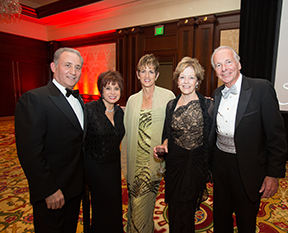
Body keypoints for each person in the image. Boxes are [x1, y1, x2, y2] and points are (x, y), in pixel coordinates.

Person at [209, 46, 288, 233]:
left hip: (248, 167)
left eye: (228, 62)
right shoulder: (217, 93)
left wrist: (273, 174)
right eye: (218, 65)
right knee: (221, 216)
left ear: (239, 64)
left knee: (246, 221)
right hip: (220, 165)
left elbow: (276, 135)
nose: (224, 68)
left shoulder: (261, 88)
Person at [15, 47, 85, 233]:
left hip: (74, 188)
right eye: (68, 65)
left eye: (77, 67)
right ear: (54, 67)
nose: (73, 72)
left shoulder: (80, 100)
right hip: (53, 192)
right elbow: (30, 153)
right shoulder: (34, 99)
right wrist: (48, 190)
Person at [153, 57, 214, 232]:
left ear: (198, 81)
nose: (186, 81)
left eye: (191, 77)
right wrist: (164, 146)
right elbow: (167, 134)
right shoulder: (171, 105)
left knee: (187, 208)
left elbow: (212, 139)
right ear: (177, 79)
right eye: (182, 77)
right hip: (174, 163)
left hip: (194, 164)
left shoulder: (208, 105)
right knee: (173, 206)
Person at [123, 54, 175, 232]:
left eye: (151, 71)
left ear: (157, 75)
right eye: (143, 71)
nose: (147, 75)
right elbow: (126, 133)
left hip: (154, 164)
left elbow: (173, 128)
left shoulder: (168, 96)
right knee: (135, 205)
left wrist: (167, 142)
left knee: (140, 205)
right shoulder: (131, 100)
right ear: (137, 74)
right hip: (134, 163)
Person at [84, 70, 125, 232]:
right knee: (101, 208)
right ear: (101, 90)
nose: (113, 92)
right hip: (95, 168)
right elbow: (81, 142)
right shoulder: (89, 110)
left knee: (114, 204)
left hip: (114, 167)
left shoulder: (120, 112)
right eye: (108, 88)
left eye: (116, 88)